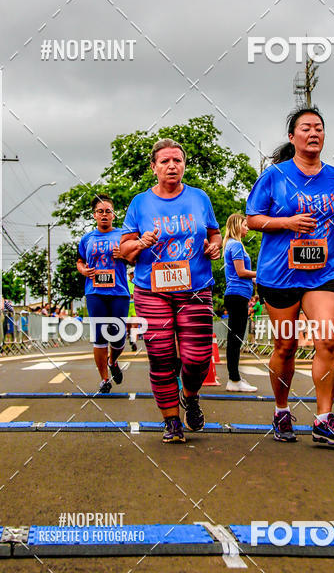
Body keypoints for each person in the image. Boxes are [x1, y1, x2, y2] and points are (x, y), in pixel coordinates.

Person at [246, 107, 334, 445]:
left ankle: (324, 419)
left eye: (319, 128)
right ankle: (281, 410)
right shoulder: (274, 176)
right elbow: (252, 219)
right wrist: (288, 223)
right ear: (292, 136)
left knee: (327, 340)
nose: (313, 133)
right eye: (306, 128)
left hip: (320, 273)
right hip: (280, 274)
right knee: (286, 345)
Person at [120, 138, 221, 443]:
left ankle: (189, 396)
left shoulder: (200, 198)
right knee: (161, 356)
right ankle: (171, 421)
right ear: (154, 168)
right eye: (164, 161)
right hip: (152, 291)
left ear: (184, 165)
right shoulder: (139, 203)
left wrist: (215, 246)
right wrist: (140, 243)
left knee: (198, 357)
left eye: (177, 160)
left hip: (196, 287)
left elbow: (214, 233)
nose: (172, 165)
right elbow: (124, 250)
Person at [77, 194, 130, 394]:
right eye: (100, 212)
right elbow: (80, 261)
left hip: (119, 292)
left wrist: (123, 255)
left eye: (108, 211)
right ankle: (104, 379)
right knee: (99, 336)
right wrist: (83, 270)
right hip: (95, 291)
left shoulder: (123, 235)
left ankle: (113, 361)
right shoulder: (87, 239)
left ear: (114, 215)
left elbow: (134, 258)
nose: (104, 215)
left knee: (118, 336)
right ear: (94, 216)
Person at [222, 213, 257, 392]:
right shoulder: (235, 245)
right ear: (237, 225)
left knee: (235, 338)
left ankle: (234, 377)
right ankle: (233, 378)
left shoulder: (233, 244)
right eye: (245, 225)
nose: (247, 228)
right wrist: (260, 274)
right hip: (237, 295)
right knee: (236, 338)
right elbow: (241, 272)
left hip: (238, 294)